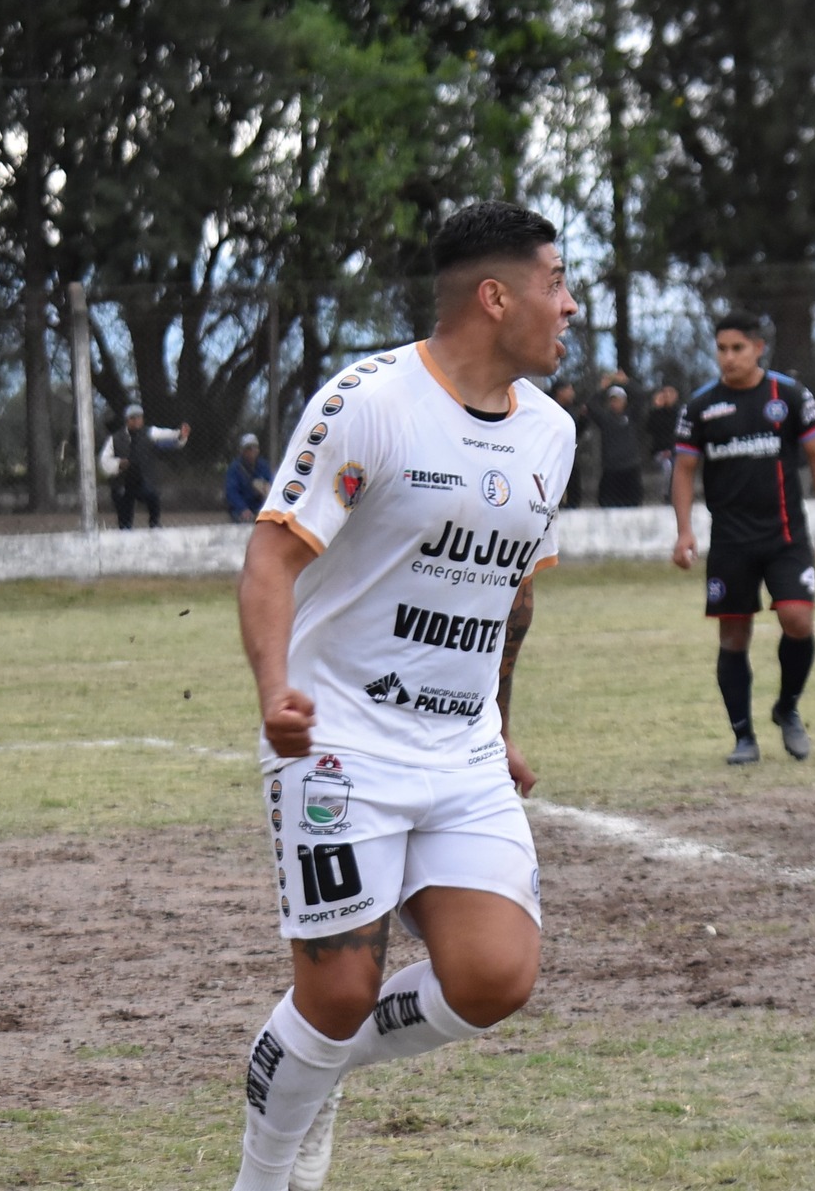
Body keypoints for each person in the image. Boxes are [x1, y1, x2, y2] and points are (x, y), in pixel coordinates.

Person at [230, 200, 576, 1191]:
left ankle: (315, 1066)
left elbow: (509, 594)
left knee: (493, 976)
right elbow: (268, 558)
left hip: (460, 750)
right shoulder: (368, 400)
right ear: (494, 294)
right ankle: (263, 1178)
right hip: (338, 738)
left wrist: (500, 726)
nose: (570, 305)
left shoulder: (550, 433)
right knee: (337, 989)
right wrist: (274, 691)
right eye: (555, 283)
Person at [672, 311, 815, 764]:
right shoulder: (702, 405)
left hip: (786, 536)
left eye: (737, 349)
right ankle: (743, 737)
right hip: (730, 542)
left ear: (757, 348)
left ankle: (787, 708)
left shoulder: (788, 395)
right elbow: (684, 469)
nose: (727, 358)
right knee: (733, 636)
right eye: (722, 349)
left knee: (797, 621)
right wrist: (685, 529)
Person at [104, 404, 189, 529]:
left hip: (142, 481)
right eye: (134, 418)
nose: (138, 420)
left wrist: (180, 436)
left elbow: (168, 438)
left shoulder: (150, 434)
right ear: (127, 420)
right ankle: (125, 530)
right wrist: (118, 464)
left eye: (140, 417)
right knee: (124, 513)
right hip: (122, 482)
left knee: (152, 496)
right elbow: (104, 461)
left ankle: (154, 524)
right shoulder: (115, 439)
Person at [594, 386, 645, 508]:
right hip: (611, 468)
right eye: (613, 400)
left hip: (630, 466)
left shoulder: (631, 416)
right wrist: (602, 387)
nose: (615, 403)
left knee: (633, 502)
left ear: (625, 401)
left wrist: (626, 382)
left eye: (618, 400)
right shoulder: (605, 418)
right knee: (607, 503)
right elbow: (591, 404)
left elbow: (641, 397)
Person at [646, 384, 681, 503]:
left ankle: (680, 495)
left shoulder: (680, 413)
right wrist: (655, 407)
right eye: (665, 394)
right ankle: (667, 496)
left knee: (679, 464)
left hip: (677, 451)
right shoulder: (656, 413)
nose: (667, 396)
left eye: (670, 393)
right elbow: (649, 429)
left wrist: (672, 449)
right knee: (668, 466)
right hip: (660, 452)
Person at [225, 433, 271, 523]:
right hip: (240, 508)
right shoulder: (235, 468)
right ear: (242, 451)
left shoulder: (263, 465)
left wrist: (265, 489)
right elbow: (231, 492)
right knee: (246, 522)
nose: (252, 451)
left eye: (255, 447)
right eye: (249, 448)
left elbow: (270, 485)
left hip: (259, 506)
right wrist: (243, 508)